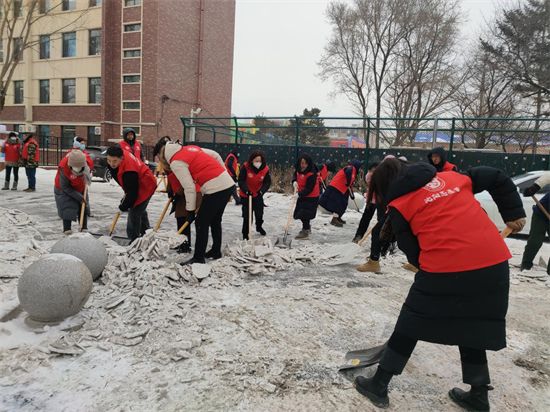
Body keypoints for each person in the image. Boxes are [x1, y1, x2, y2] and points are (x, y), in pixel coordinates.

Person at [353, 158, 526, 411]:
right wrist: (513, 213)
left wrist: (430, 270)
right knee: (473, 323)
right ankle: (478, 395)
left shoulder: (400, 204)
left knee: (410, 322)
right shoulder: (454, 178)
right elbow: (495, 175)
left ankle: (379, 384)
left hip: (446, 266)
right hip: (493, 262)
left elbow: (411, 250)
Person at [158, 141, 234, 264]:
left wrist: (190, 211)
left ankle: (198, 257)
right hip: (227, 185)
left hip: (215, 188)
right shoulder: (191, 149)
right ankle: (215, 251)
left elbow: (189, 188)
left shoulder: (176, 162)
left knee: (201, 223)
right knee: (215, 220)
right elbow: (215, 154)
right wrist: (223, 172)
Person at [106, 146, 156, 242]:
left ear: (122, 158)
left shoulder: (129, 170)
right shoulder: (118, 154)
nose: (111, 163)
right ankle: (147, 235)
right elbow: (128, 187)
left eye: (114, 161)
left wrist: (123, 207)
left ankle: (133, 242)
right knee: (140, 210)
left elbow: (133, 193)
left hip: (146, 184)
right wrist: (126, 199)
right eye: (109, 160)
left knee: (135, 213)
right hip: (137, 183)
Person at [54, 151, 91, 235]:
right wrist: (79, 197)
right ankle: (67, 229)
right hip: (63, 189)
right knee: (67, 207)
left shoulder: (86, 164)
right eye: (75, 167)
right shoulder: (63, 167)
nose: (77, 169)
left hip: (80, 186)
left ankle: (84, 227)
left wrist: (88, 177)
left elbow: (90, 166)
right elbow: (65, 187)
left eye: (79, 167)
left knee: (83, 205)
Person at [166, 171, 203, 254]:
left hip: (190, 193)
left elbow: (183, 183)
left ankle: (185, 246)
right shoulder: (170, 169)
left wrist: (177, 196)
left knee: (183, 219)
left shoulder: (176, 168)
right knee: (181, 218)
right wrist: (170, 191)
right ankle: (182, 243)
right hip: (184, 194)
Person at [521, 172, 550, 275]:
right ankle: (525, 266)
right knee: (535, 242)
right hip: (541, 214)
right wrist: (535, 187)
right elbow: (548, 176)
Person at [238, 150, 271, 240]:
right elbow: (241, 180)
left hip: (258, 194)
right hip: (246, 195)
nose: (258, 163)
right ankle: (245, 233)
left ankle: (259, 226)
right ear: (252, 160)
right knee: (247, 216)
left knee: (259, 213)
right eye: (256, 161)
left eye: (259, 161)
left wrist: (261, 191)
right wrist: (246, 191)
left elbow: (267, 182)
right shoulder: (245, 167)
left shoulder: (265, 169)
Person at [319, 159, 363, 227]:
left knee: (344, 204)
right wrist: (348, 183)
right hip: (337, 187)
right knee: (337, 204)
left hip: (342, 189)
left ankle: (338, 217)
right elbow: (348, 174)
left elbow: (350, 185)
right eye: (360, 168)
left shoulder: (353, 173)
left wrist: (352, 195)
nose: (360, 170)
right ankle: (334, 219)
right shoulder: (351, 168)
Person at [292, 154, 319, 240]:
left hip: (311, 196)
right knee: (299, 213)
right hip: (303, 194)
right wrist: (294, 181)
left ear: (309, 164)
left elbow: (309, 188)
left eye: (305, 163)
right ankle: (307, 227)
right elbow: (295, 175)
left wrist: (299, 194)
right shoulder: (299, 169)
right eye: (301, 163)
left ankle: (305, 231)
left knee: (304, 214)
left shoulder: (312, 173)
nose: (303, 165)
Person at [352, 162, 381, 243]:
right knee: (365, 218)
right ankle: (358, 236)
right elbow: (368, 180)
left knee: (381, 220)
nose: (372, 173)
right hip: (371, 200)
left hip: (381, 201)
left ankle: (379, 240)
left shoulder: (385, 177)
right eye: (371, 171)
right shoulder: (369, 177)